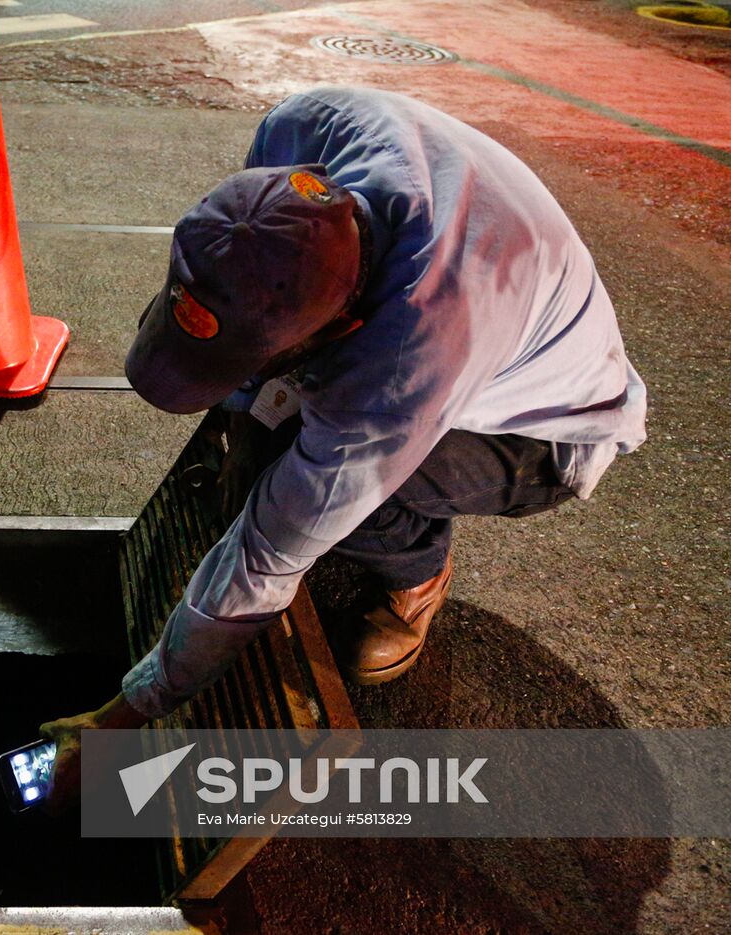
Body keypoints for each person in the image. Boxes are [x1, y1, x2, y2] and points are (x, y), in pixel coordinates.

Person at [39, 87, 646, 812]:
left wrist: (124, 718)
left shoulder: (399, 369)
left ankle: (416, 577)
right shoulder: (301, 131)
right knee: (262, 454)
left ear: (346, 327)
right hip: (482, 313)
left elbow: (269, 556)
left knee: (340, 502)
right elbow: (254, 281)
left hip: (546, 428)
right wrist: (240, 419)